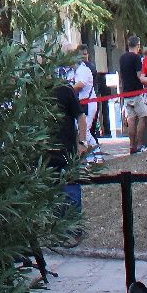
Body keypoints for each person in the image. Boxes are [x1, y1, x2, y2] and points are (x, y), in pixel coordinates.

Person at [47, 64, 87, 247]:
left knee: (71, 191)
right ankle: (56, 232)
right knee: (52, 193)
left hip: (66, 149)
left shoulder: (65, 90)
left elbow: (81, 116)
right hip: (44, 152)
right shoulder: (34, 92)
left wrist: (82, 142)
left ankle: (74, 230)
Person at [117, 35, 147, 156]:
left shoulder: (122, 58)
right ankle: (140, 144)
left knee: (131, 119)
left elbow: (121, 75)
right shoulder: (136, 58)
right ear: (138, 45)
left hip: (126, 92)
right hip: (137, 92)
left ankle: (131, 146)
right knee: (142, 116)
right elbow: (140, 76)